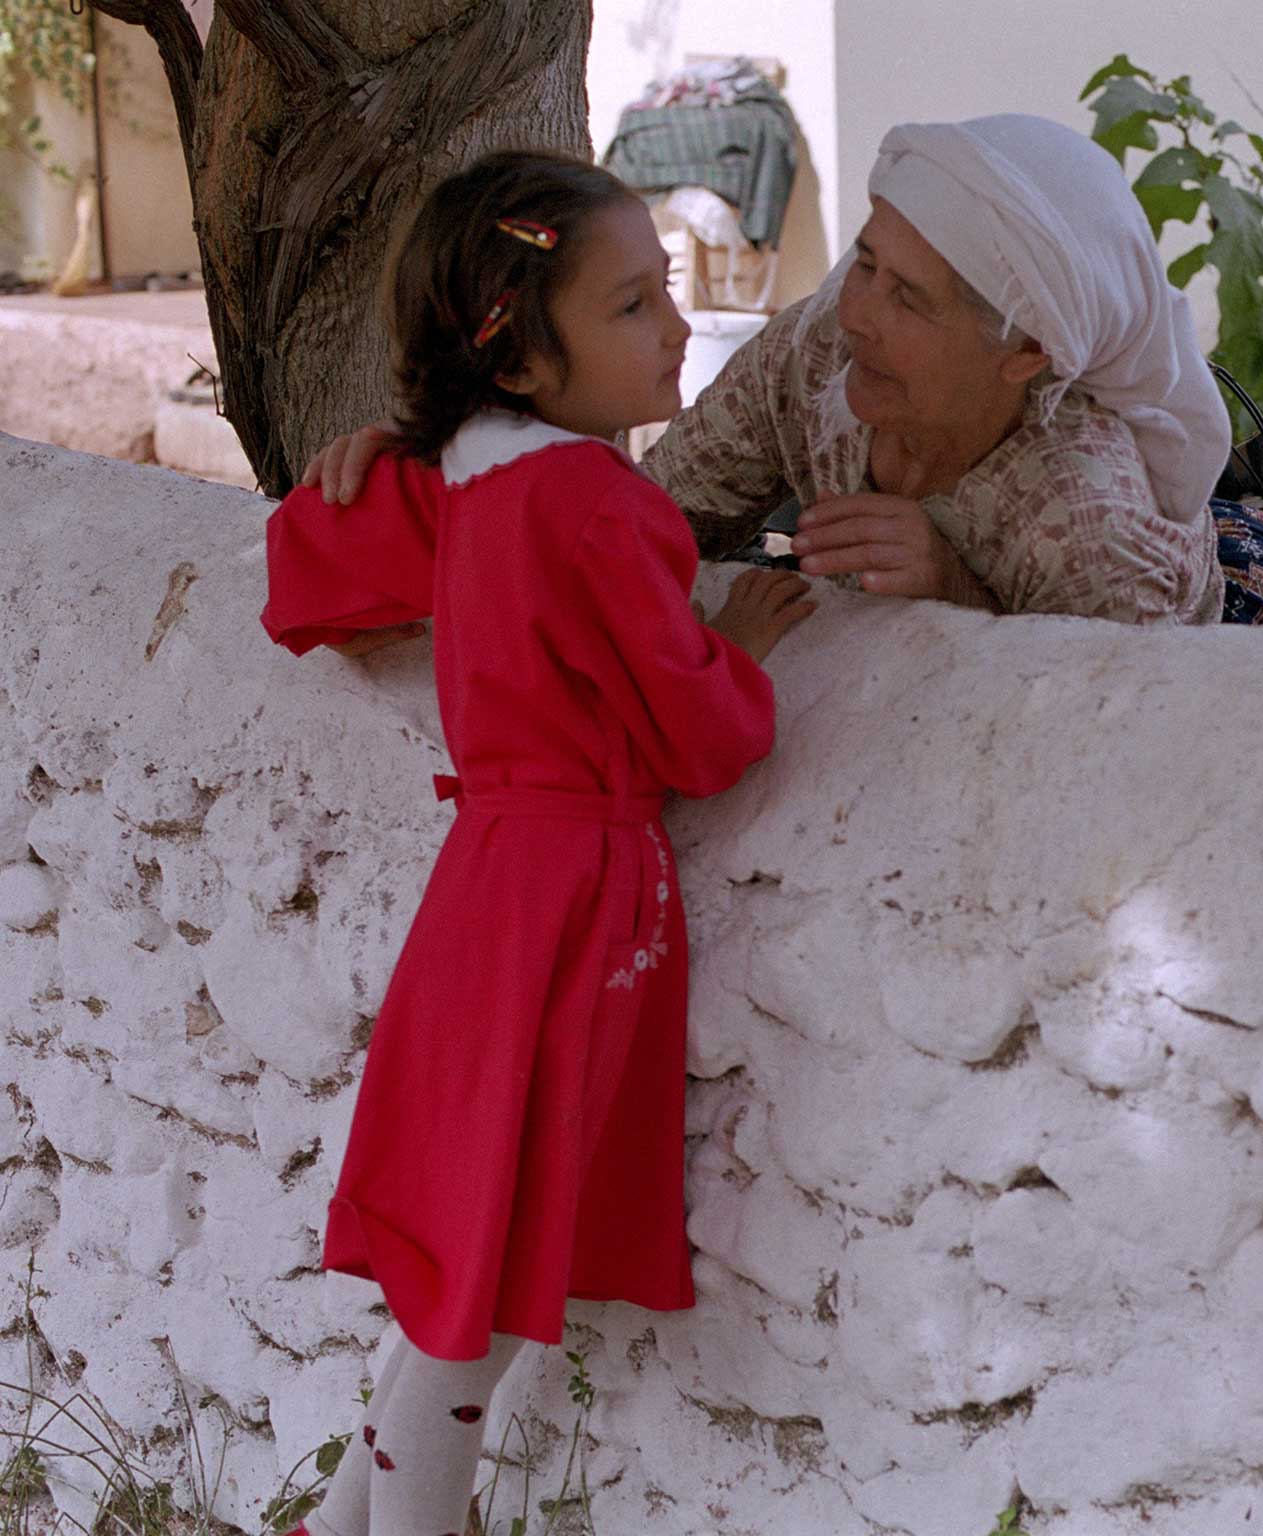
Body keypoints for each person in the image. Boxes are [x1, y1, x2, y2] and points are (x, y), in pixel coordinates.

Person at [259, 149, 813, 1536]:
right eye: (631, 307)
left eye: (665, 295)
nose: (675, 327)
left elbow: (310, 576)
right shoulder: (597, 504)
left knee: (467, 1258)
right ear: (518, 359)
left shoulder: (468, 484)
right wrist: (729, 647)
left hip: (491, 899)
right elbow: (701, 738)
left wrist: (376, 459)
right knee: (486, 1290)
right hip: (571, 908)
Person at [308, 115, 1263, 627]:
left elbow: (1117, 744)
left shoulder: (1083, 521)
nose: (855, 312)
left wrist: (960, 590)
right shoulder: (816, 351)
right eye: (866, 260)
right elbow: (639, 531)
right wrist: (448, 460)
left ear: (1026, 357)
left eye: (909, 298)